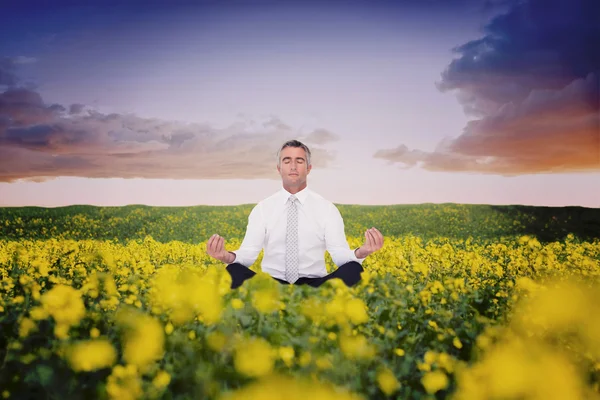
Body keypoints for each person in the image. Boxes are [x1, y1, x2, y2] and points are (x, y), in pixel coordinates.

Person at [206, 139, 384, 289]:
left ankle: (310, 300)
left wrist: (362, 252)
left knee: (353, 269)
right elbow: (247, 255)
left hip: (315, 284)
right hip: (271, 285)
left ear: (308, 168)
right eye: (287, 161)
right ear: (279, 168)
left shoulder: (327, 209)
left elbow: (339, 255)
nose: (293, 166)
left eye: (299, 161)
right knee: (233, 271)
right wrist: (224, 256)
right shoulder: (262, 209)